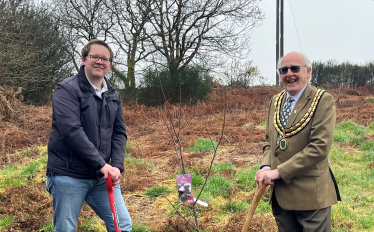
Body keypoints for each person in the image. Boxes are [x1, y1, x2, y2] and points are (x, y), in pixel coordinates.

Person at [46, 39, 132, 232]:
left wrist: (116, 166)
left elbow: (119, 133)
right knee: (65, 229)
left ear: (110, 65)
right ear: (84, 59)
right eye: (95, 57)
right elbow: (72, 131)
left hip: (101, 177)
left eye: (105, 59)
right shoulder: (67, 90)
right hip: (69, 175)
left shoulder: (113, 95)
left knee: (123, 225)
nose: (99, 62)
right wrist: (102, 164)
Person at [255, 52, 341, 232]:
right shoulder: (275, 101)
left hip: (310, 196)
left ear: (308, 72)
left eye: (295, 68)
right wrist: (265, 167)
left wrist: (278, 172)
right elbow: (270, 142)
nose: (289, 74)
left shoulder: (322, 101)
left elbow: (318, 148)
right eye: (283, 70)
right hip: (280, 195)